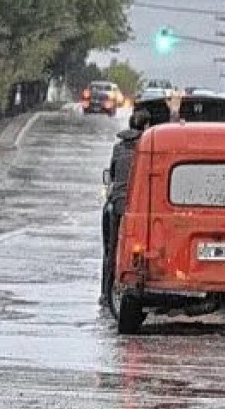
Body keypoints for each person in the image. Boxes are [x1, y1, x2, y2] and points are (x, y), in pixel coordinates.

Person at [101, 108, 152, 306]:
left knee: (112, 249)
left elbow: (113, 175)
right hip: (137, 208)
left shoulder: (119, 148)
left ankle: (106, 294)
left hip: (117, 204)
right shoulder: (146, 150)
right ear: (146, 126)